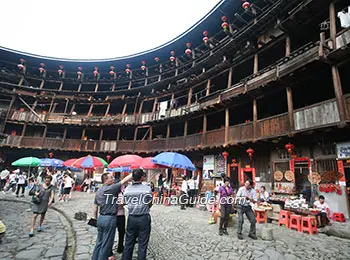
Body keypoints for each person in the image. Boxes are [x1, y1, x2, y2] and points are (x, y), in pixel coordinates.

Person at [91, 172, 132, 260]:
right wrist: (135, 171)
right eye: (111, 178)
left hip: (101, 217)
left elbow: (95, 206)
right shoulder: (111, 188)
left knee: (99, 242)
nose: (113, 179)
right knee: (106, 245)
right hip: (109, 218)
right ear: (106, 180)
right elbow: (124, 180)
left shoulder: (99, 190)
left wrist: (94, 218)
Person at [122, 169, 152, 260]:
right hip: (143, 218)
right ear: (142, 177)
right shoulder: (147, 188)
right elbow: (150, 203)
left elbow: (124, 202)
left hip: (132, 217)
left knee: (128, 243)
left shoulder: (127, 189)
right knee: (142, 244)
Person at [108, 179, 126, 259]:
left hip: (121, 215)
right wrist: (120, 205)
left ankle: (120, 247)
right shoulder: (111, 194)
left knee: (122, 232)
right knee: (111, 233)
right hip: (113, 215)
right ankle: (109, 250)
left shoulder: (122, 193)